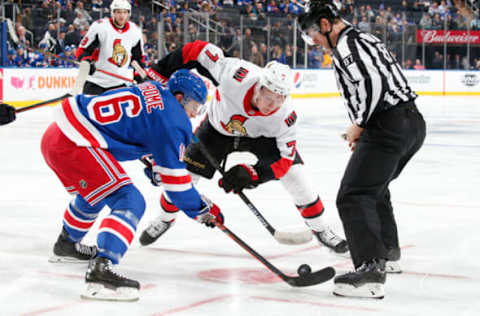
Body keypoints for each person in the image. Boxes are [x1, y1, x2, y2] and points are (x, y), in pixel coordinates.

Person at [138, 40, 348, 255]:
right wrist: (159, 73)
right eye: (269, 95)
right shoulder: (235, 75)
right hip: (217, 130)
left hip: (262, 138)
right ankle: (165, 219)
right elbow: (198, 50)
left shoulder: (285, 116)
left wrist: (254, 174)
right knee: (184, 177)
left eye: (280, 98)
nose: (272, 104)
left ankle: (321, 229)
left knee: (296, 175)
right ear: (260, 86)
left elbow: (284, 161)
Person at [37, 70, 224, 301]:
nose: (195, 115)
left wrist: (155, 162)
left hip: (57, 135)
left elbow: (133, 128)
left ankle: (67, 244)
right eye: (194, 106)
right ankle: (101, 271)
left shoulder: (153, 91)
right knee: (129, 200)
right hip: (76, 143)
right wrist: (202, 209)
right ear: (178, 98)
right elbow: (177, 187)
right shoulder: (174, 120)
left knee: (97, 191)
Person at [299, 0, 426, 298]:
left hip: (388, 124)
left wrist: (360, 123)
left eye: (311, 33)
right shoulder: (363, 38)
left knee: (353, 195)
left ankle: (370, 270)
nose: (313, 41)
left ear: (326, 24)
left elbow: (374, 83)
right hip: (411, 123)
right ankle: (387, 252)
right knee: (374, 187)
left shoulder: (346, 46)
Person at [76, 0, 145, 95]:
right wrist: (87, 62)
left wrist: (139, 76)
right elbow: (83, 50)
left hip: (119, 83)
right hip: (96, 81)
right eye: (118, 12)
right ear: (113, 13)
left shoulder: (135, 31)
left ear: (129, 14)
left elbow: (137, 58)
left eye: (125, 12)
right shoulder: (100, 27)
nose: (122, 16)